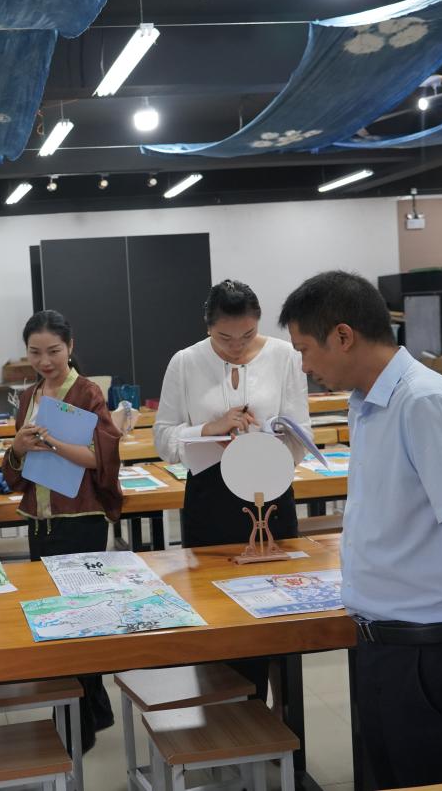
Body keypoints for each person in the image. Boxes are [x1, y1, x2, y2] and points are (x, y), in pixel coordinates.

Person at [279, 271, 442, 790]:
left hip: (431, 652)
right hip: (384, 645)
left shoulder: (424, 401)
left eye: (304, 350)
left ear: (343, 336)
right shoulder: (367, 403)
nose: (304, 366)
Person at [152, 280, 309, 699]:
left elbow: (302, 431)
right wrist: (209, 429)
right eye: (225, 338)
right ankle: (229, 712)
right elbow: (163, 438)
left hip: (270, 493)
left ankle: (284, 717)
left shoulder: (285, 356)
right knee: (219, 615)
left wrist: (268, 439)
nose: (237, 347)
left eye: (248, 335)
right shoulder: (185, 362)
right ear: (208, 327)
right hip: (210, 495)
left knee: (281, 612)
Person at [1, 310, 122, 751]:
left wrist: (51, 442)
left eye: (53, 351)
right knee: (53, 618)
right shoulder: (28, 395)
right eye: (35, 352)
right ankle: (92, 709)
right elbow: (16, 466)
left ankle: (77, 726)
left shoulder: (87, 392)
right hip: (41, 520)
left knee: (80, 620)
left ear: (70, 347)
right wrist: (18, 447)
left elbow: (101, 458)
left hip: (80, 519)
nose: (44, 361)